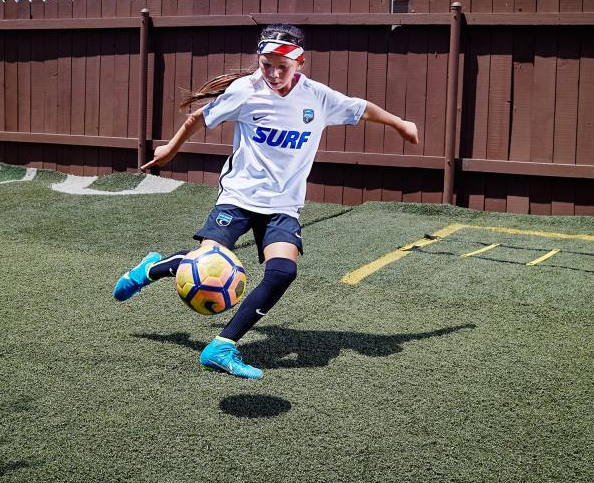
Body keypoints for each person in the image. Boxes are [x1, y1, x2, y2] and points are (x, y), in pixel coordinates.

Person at [113, 24, 418, 379]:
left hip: (284, 206)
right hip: (239, 197)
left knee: (283, 272)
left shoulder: (318, 98)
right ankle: (148, 270)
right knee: (209, 262)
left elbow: (363, 109)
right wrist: (169, 149)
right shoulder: (246, 91)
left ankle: (222, 346)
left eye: (282, 66)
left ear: (299, 63)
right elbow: (200, 117)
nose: (273, 74)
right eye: (266, 65)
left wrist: (400, 124)